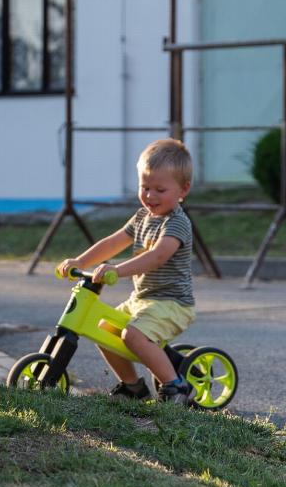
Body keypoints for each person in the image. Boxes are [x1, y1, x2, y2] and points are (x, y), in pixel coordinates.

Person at [57, 138, 197, 404]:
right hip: (142, 300)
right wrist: (81, 261)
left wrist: (117, 270)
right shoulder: (142, 217)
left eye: (160, 189)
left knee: (132, 335)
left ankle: (176, 385)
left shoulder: (176, 223)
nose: (150, 196)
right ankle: (133, 387)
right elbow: (113, 242)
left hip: (172, 303)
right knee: (102, 328)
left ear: (184, 189)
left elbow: (157, 257)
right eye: (145, 187)